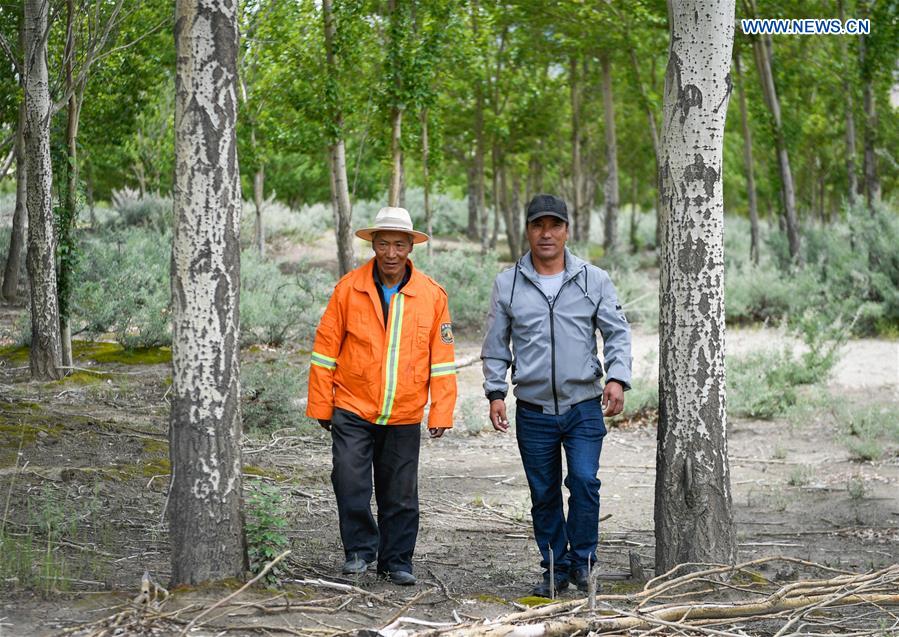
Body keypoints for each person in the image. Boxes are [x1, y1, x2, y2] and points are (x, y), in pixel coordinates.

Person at [481, 194, 632, 597]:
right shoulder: (507, 282)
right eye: (537, 225)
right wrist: (496, 392)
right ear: (527, 230)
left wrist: (617, 378)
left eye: (554, 225)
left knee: (584, 482)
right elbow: (496, 345)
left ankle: (583, 563)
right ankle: (554, 569)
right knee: (543, 492)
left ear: (567, 230)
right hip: (532, 411)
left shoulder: (593, 279)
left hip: (584, 405)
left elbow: (616, 332)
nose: (546, 233)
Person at [306, 206, 458, 586]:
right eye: (384, 244)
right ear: (373, 245)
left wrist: (441, 410)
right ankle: (359, 551)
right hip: (352, 407)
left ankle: (397, 561)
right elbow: (325, 351)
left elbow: (442, 358)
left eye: (399, 245)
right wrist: (322, 403)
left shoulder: (432, 295)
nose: (391, 253)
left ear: (411, 247)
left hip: (404, 413)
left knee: (401, 495)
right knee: (349, 480)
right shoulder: (348, 289)